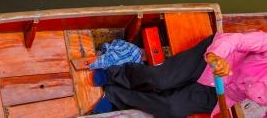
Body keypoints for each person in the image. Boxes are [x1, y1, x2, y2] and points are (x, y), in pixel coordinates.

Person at [93, 32, 267, 118]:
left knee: (172, 108)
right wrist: (217, 56)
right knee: (161, 80)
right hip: (211, 60)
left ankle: (114, 95)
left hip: (221, 93)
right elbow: (237, 40)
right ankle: (114, 74)